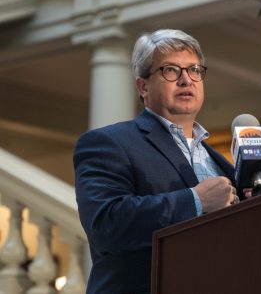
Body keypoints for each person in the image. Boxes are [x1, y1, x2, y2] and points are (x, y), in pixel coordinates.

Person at [74, 29, 237, 294]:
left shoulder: (218, 159)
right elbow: (106, 224)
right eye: (171, 70)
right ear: (143, 86)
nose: (186, 80)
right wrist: (195, 200)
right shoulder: (108, 143)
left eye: (194, 69)